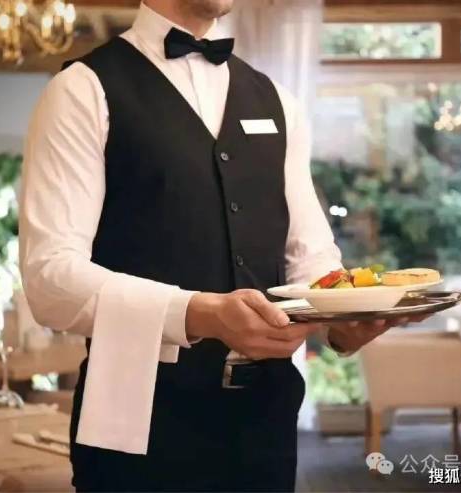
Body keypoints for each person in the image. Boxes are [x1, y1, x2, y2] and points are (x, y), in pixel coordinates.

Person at [20, 0, 410, 491]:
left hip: (265, 422)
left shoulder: (277, 101)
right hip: (136, 424)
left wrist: (343, 318)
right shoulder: (82, 89)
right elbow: (50, 279)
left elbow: (309, 258)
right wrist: (201, 314)